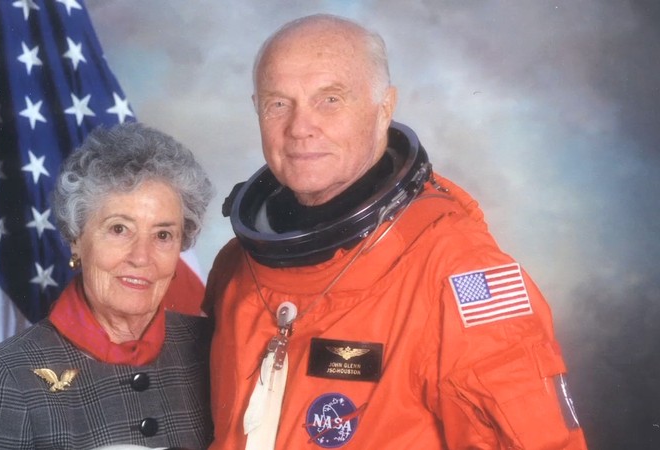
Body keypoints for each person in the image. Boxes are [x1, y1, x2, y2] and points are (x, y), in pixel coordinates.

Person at [205, 13, 588, 449]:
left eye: (329, 99)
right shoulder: (237, 267)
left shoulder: (462, 275)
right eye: (278, 103)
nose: (300, 128)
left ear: (384, 108)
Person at [0, 122, 214, 449]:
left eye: (163, 235)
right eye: (119, 229)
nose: (141, 257)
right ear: (76, 238)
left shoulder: (211, 347)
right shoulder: (3, 376)